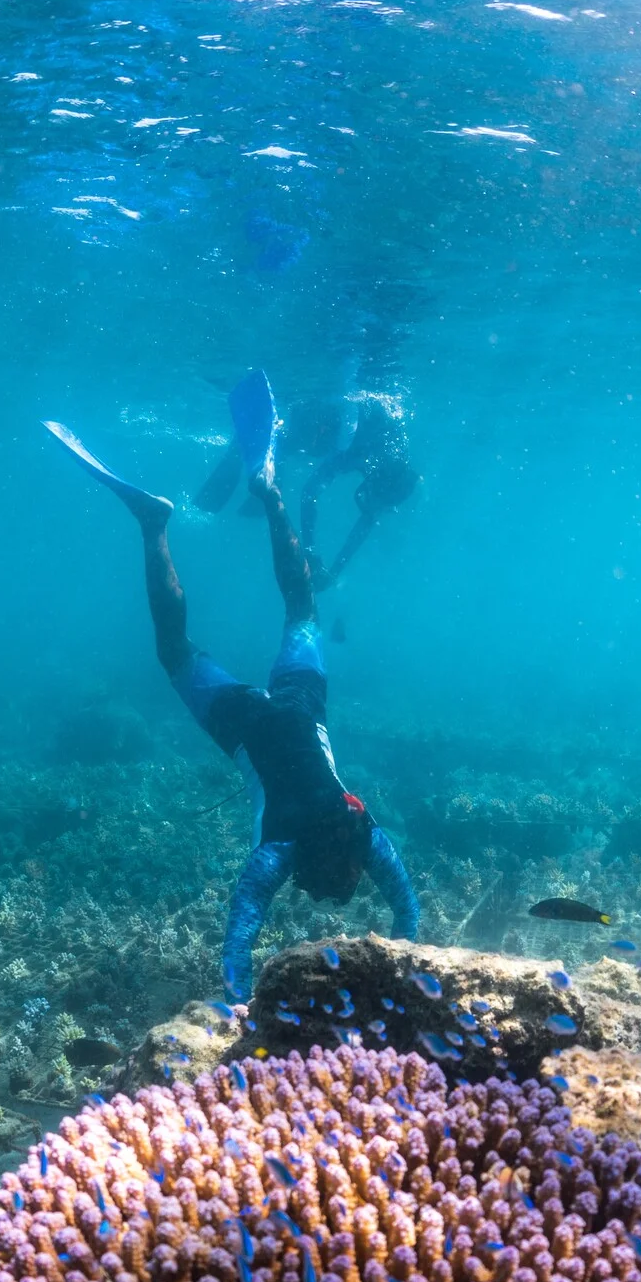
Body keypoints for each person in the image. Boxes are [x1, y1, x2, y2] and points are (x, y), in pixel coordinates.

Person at [44, 374, 419, 999]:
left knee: (301, 609)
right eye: (321, 888)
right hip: (248, 722)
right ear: (316, 867)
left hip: (302, 708)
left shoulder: (368, 832)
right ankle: (152, 525)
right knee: (175, 652)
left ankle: (269, 493)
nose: (312, 893)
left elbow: (406, 907)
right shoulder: (276, 852)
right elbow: (238, 940)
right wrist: (241, 1006)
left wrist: (406, 952)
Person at [297, 391, 420, 588]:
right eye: (373, 503)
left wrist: (334, 570)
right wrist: (311, 553)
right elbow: (308, 493)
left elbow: (368, 517)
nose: (370, 510)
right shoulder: (357, 454)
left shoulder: (388, 466)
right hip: (344, 421)